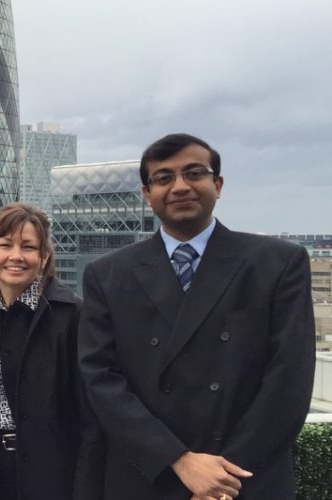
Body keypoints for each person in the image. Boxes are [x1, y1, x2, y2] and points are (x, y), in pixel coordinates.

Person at [79, 133, 315, 499]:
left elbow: (289, 380)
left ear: (217, 185)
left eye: (194, 173)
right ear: (147, 194)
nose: (180, 186)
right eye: (163, 178)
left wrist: (221, 477)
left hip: (245, 479)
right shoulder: (107, 274)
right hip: (149, 475)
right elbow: (101, 380)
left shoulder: (278, 263)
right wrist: (178, 460)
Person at [0, 203, 104, 500]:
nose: (16, 256)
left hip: (51, 477)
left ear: (43, 258)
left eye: (28, 247)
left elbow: (92, 419)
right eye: (5, 245)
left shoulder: (71, 315)